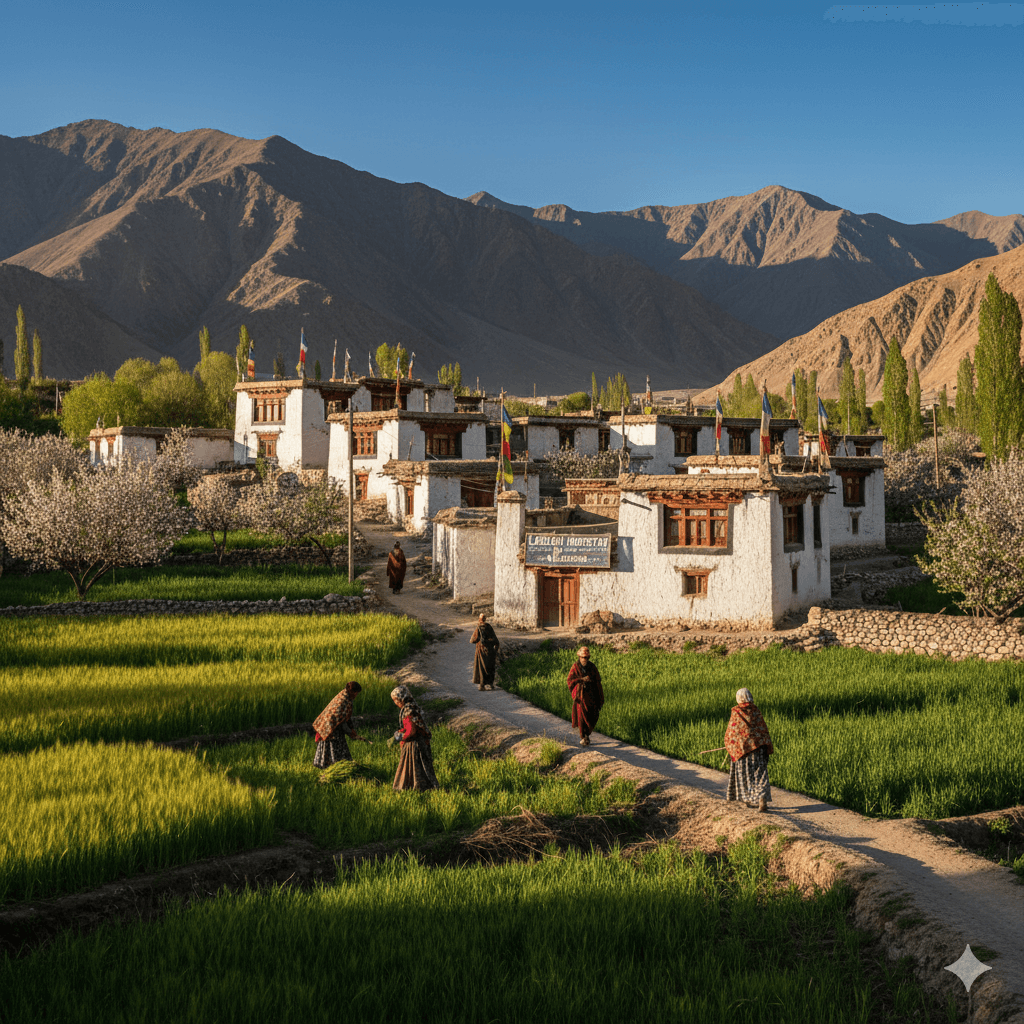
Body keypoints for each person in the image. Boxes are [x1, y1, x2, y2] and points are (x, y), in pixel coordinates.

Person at [724, 687, 774, 812]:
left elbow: (732, 733)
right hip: (759, 748)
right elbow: (762, 729)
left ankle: (750, 799)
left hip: (743, 751)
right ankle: (762, 797)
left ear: (739, 698)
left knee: (746, 775)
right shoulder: (756, 710)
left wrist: (730, 745)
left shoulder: (736, 711)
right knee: (760, 774)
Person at [390, 685, 438, 790]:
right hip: (420, 740)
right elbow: (411, 726)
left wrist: (400, 737)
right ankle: (424, 786)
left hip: (414, 743)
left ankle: (414, 787)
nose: (395, 703)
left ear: (401, 699)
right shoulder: (412, 706)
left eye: (395, 700)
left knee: (413, 765)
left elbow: (411, 731)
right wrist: (401, 731)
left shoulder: (408, 710)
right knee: (422, 765)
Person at [312, 681, 366, 768]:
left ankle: (332, 766)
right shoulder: (344, 702)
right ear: (352, 692)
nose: (356, 695)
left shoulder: (344, 695)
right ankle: (337, 767)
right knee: (335, 748)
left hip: (330, 726)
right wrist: (350, 732)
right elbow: (342, 722)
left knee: (332, 747)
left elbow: (346, 717)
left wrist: (352, 729)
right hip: (331, 728)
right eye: (356, 693)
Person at [566, 646, 604, 747]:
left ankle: (587, 734)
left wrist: (600, 697)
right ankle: (583, 736)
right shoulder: (575, 667)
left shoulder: (592, 667)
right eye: (583, 657)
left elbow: (598, 682)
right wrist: (581, 680)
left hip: (591, 696)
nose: (584, 660)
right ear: (579, 657)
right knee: (581, 717)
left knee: (593, 716)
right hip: (581, 697)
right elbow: (570, 680)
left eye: (586, 658)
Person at [470, 613, 500, 690]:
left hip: (481, 651)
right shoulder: (489, 627)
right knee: (490, 667)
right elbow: (496, 640)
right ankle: (491, 684)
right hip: (490, 651)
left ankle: (482, 685)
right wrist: (495, 651)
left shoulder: (478, 628)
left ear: (479, 619)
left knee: (481, 668)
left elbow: (472, 640)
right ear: (485, 619)